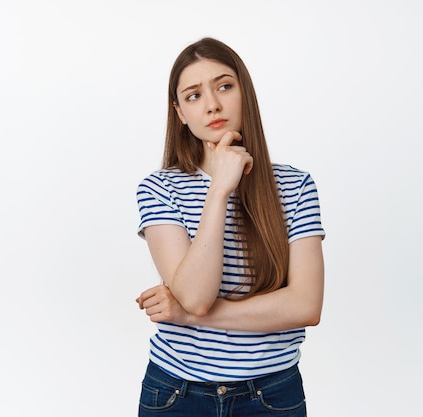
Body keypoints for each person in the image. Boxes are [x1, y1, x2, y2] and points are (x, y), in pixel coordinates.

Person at [134, 37, 326, 417]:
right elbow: (196, 295)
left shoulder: (296, 186)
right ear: (180, 113)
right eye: (193, 96)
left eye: (224, 86)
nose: (212, 104)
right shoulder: (159, 188)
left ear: (245, 92)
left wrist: (188, 318)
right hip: (177, 394)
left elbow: (305, 305)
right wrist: (220, 189)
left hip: (272, 395)